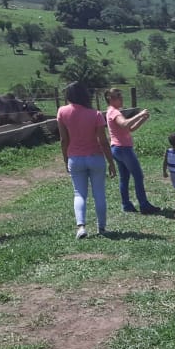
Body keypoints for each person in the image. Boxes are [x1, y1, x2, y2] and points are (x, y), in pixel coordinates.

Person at [57, 81, 116, 239]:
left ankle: (81, 227)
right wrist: (111, 162)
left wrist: (65, 159)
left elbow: (64, 140)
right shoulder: (95, 114)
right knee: (99, 194)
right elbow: (103, 141)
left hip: (75, 158)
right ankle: (102, 227)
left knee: (79, 194)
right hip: (95, 158)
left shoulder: (62, 112)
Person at [104, 88, 160, 215]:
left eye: (120, 95)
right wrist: (139, 114)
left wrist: (142, 119)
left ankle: (126, 204)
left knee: (124, 177)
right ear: (110, 99)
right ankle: (144, 205)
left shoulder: (112, 112)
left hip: (116, 148)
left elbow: (130, 128)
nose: (121, 98)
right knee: (138, 176)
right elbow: (124, 124)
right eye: (118, 96)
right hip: (123, 148)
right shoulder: (115, 113)